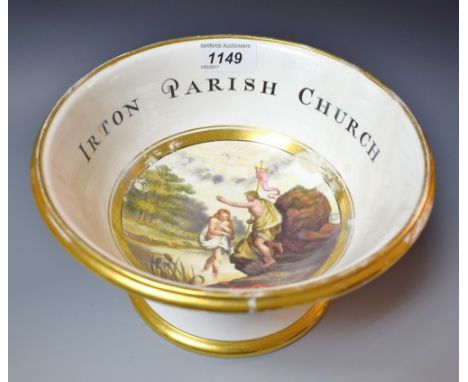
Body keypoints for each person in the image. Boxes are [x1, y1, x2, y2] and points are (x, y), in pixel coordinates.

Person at [216, 191, 283, 267]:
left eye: (248, 196)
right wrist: (253, 220)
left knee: (258, 243)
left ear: (253, 196)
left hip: (265, 226)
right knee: (257, 240)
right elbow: (261, 214)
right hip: (263, 224)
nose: (246, 198)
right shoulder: (261, 202)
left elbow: (237, 204)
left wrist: (224, 200)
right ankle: (275, 245)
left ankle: (270, 259)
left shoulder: (253, 203)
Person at [199, 209, 234, 276]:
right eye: (223, 216)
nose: (224, 218)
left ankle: (203, 270)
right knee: (218, 258)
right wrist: (224, 232)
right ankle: (215, 276)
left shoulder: (227, 222)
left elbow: (231, 232)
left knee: (213, 257)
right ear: (218, 215)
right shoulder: (213, 220)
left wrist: (224, 228)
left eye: (226, 216)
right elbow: (211, 231)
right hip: (213, 240)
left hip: (222, 241)